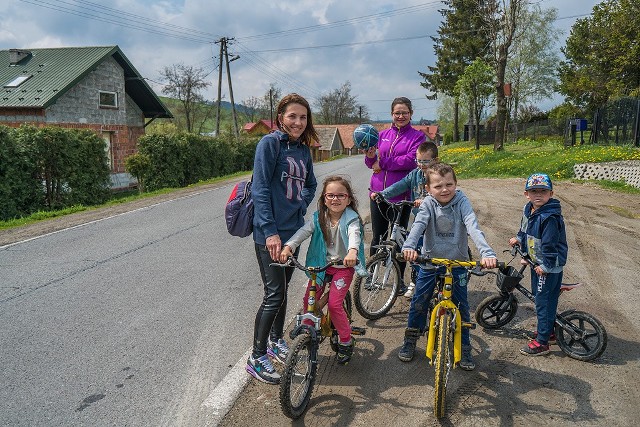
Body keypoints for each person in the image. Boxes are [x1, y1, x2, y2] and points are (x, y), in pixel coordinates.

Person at [246, 93, 318, 385]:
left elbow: (311, 184)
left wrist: (301, 204)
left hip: (293, 232)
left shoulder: (302, 150)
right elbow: (260, 189)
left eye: (303, 117)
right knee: (274, 293)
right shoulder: (270, 144)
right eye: (292, 116)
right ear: (280, 118)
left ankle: (276, 341)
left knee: (284, 290)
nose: (298, 122)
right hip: (271, 234)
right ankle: (257, 356)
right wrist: (271, 231)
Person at [400, 162, 497, 370]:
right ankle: (410, 339)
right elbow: (418, 226)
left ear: (456, 183)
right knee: (420, 301)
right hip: (430, 261)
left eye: (449, 184)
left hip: (457, 262)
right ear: (428, 189)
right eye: (438, 186)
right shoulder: (427, 204)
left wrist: (487, 253)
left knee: (462, 305)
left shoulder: (462, 201)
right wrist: (409, 246)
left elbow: (473, 225)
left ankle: (465, 347)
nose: (444, 189)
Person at [280, 176, 367, 365]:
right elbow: (303, 232)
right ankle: (308, 330)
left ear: (349, 199)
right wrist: (289, 246)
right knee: (308, 300)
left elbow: (355, 235)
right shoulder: (318, 216)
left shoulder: (351, 218)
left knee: (335, 305)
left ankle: (345, 340)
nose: (335, 199)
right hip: (319, 266)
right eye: (330, 195)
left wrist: (352, 251)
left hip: (343, 267)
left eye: (340, 195)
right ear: (324, 198)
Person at [364, 97, 426, 295]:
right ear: (391, 114)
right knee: (377, 237)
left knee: (398, 240)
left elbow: (409, 161)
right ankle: (371, 276)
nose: (400, 116)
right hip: (377, 195)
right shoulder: (381, 135)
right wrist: (371, 155)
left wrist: (383, 163)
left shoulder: (417, 137)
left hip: (401, 197)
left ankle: (399, 280)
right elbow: (370, 163)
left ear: (411, 114)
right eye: (397, 113)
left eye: (404, 112)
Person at [509, 173, 568, 356]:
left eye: (543, 191)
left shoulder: (549, 217)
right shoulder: (530, 209)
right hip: (538, 263)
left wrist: (546, 266)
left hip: (547, 266)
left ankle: (542, 343)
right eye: (534, 191)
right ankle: (548, 331)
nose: (538, 195)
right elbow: (525, 230)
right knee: (541, 298)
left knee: (542, 302)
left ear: (551, 193)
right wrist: (519, 240)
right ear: (526, 194)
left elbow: (550, 244)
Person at [370, 141, 439, 297]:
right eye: (418, 160)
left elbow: (443, 192)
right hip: (419, 219)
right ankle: (415, 280)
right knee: (413, 249)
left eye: (425, 161)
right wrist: (382, 194)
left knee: (428, 250)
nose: (421, 165)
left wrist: (428, 199)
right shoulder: (415, 174)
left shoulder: (438, 175)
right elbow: (401, 185)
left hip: (436, 220)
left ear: (435, 160)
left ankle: (435, 279)